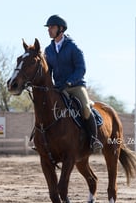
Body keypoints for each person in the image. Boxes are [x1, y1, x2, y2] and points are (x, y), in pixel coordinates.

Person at [44, 14, 103, 153]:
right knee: (46, 108)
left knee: (86, 108)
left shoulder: (73, 47)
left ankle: (94, 139)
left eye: (52, 27)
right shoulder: (48, 50)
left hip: (76, 86)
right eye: (48, 27)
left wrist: (69, 82)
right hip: (59, 87)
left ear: (61, 29)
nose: (49, 30)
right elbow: (48, 71)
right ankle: (44, 140)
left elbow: (81, 69)